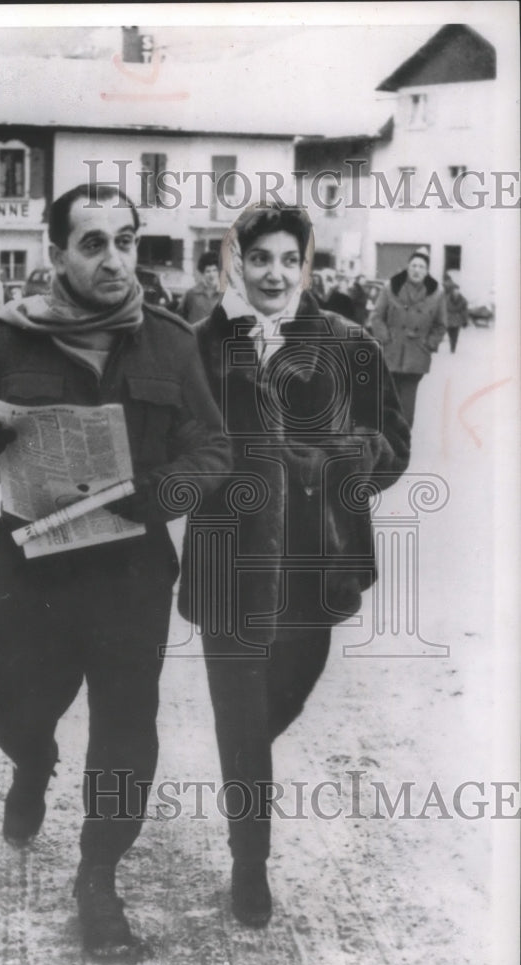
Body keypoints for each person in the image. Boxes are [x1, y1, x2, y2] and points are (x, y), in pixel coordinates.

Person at [0, 183, 231, 959]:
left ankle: (99, 876)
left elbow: (212, 447)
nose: (114, 259)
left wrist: (164, 491)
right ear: (56, 252)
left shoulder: (169, 340)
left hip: (130, 571)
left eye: (125, 241)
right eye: (93, 243)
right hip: (33, 568)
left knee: (125, 728)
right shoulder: (8, 337)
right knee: (5, 702)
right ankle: (32, 763)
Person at [178, 203, 410, 928]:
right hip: (228, 563)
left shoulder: (348, 342)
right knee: (240, 716)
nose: (273, 274)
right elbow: (173, 442)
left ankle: (242, 766)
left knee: (279, 703)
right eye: (259, 258)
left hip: (315, 567)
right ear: (235, 263)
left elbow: (393, 446)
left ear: (306, 266)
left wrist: (341, 462)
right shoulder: (201, 345)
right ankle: (250, 864)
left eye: (289, 259)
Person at [369, 248, 447, 428]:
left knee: (406, 407)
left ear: (427, 271)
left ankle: (402, 439)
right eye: (414, 266)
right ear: (407, 267)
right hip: (391, 353)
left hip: (417, 355)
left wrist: (429, 344)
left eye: (421, 267)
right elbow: (376, 317)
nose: (417, 270)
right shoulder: (391, 287)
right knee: (388, 401)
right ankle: (387, 437)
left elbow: (441, 325)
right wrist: (385, 339)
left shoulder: (437, 293)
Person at [179, 250, 222, 323]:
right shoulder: (191, 294)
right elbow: (180, 317)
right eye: (208, 271)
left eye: (215, 270)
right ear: (202, 273)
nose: (212, 275)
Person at [443, 271, 469, 354]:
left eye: (457, 290)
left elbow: (464, 311)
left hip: (456, 319)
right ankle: (452, 346)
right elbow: (443, 309)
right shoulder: (447, 299)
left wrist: (465, 321)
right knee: (451, 334)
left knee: (455, 334)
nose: (456, 292)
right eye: (454, 290)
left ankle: (453, 347)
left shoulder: (463, 300)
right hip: (450, 319)